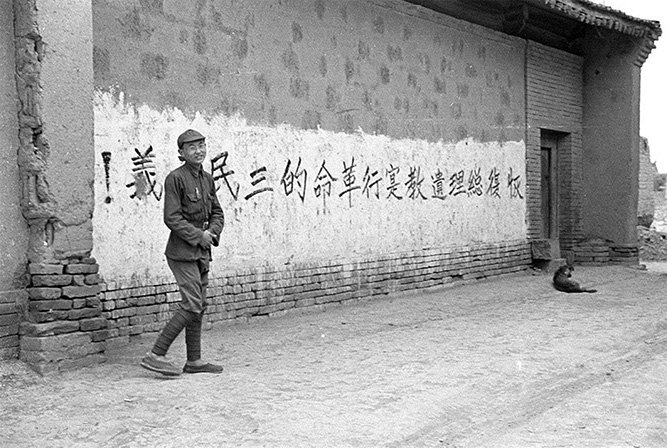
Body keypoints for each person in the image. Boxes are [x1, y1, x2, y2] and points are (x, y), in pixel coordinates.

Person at [140, 129, 225, 376]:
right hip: (181, 252)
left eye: (201, 146)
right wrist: (199, 235)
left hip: (202, 252)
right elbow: (172, 217)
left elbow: (217, 212)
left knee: (200, 304)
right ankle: (156, 354)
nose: (198, 151)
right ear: (181, 153)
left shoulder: (207, 179)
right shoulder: (174, 179)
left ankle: (194, 361)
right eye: (191, 147)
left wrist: (213, 232)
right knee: (192, 303)